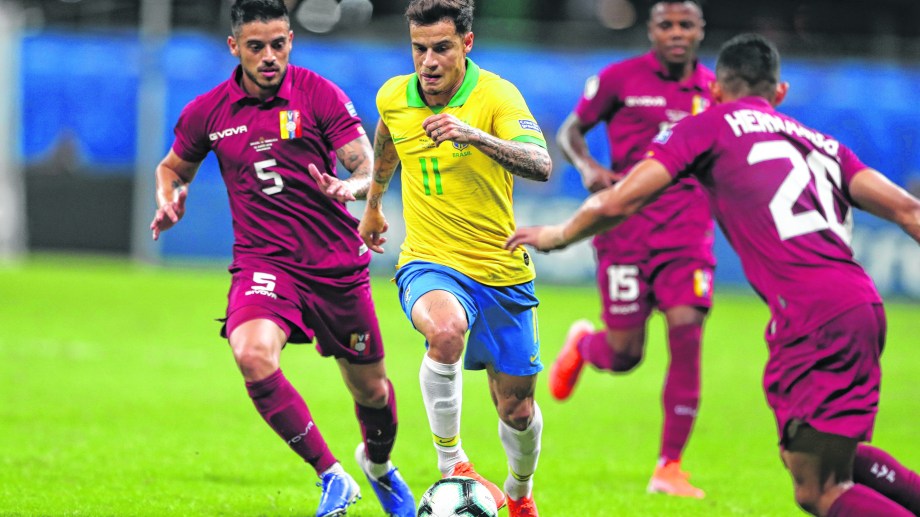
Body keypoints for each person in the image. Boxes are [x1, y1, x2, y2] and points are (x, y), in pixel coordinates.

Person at [506, 33, 920, 517]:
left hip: (812, 315)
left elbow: (620, 200)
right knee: (836, 456)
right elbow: (909, 211)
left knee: (819, 489)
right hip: (862, 305)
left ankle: (670, 462)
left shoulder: (707, 125)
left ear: (716, 90)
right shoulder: (823, 143)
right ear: (779, 92)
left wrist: (558, 234)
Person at [148, 1, 415, 516]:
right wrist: (171, 196)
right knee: (251, 354)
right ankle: (332, 475)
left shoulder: (319, 94)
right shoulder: (208, 111)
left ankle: (379, 466)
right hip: (265, 264)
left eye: (278, 44)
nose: (269, 56)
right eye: (256, 46)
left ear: (290, 41)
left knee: (372, 391)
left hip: (335, 265)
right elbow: (171, 168)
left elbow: (366, 166)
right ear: (235, 47)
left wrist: (352, 187)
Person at [358, 1, 552, 515]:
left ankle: (520, 493)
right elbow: (388, 135)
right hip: (429, 261)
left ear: (466, 44)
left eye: (441, 48)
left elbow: (541, 163)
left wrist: (475, 135)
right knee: (444, 332)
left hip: (502, 272)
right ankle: (453, 465)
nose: (428, 61)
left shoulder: (497, 95)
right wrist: (374, 204)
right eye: (419, 48)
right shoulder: (394, 96)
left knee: (517, 410)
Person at [553, 0, 713, 498]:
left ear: (701, 31)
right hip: (624, 231)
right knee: (624, 355)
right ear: (651, 30)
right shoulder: (620, 79)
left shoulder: (714, 90)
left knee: (687, 333)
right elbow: (570, 131)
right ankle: (584, 345)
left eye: (686, 25)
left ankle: (670, 467)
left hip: (687, 236)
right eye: (667, 25)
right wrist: (588, 167)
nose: (676, 33)